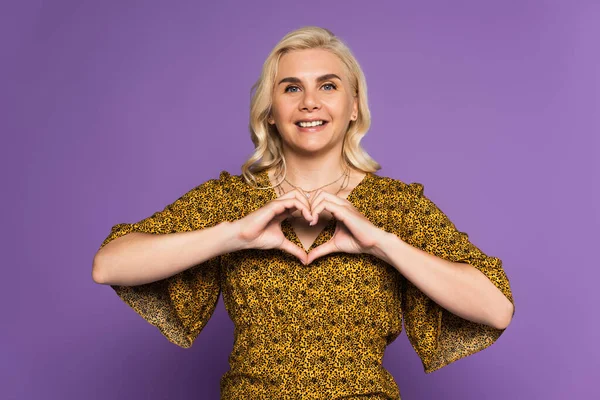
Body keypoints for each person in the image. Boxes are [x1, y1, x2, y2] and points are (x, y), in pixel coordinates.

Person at [92, 26, 515, 400]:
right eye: (291, 88)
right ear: (270, 112)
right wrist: (233, 237)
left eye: (328, 86)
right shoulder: (232, 198)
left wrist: (382, 244)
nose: (310, 102)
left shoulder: (395, 206)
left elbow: (496, 308)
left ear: (354, 106)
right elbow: (109, 265)